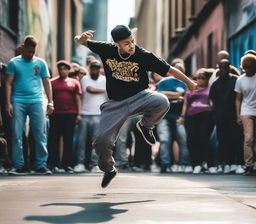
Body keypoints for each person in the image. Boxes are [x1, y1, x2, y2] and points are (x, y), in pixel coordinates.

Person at [74, 25, 197, 188]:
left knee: (162, 101)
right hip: (116, 104)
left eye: (132, 41)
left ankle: (146, 126)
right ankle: (109, 169)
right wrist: (80, 39)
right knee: (101, 142)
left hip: (140, 96)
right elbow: (82, 41)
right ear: (116, 44)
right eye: (126, 43)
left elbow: (169, 69)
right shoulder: (106, 49)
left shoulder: (143, 54)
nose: (131, 45)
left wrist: (189, 82)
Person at [5, 35, 54, 175]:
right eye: (28, 51)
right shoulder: (14, 63)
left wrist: (50, 102)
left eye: (33, 52)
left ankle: (41, 165)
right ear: (23, 47)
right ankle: (19, 166)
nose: (30, 54)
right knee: (17, 134)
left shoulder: (40, 63)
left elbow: (46, 82)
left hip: (37, 101)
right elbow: (8, 83)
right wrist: (8, 103)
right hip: (18, 101)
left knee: (40, 133)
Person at [178, 68, 216, 174]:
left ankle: (210, 164)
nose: (198, 80)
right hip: (191, 116)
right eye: (196, 78)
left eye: (202, 78)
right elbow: (186, 103)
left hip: (206, 115)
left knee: (204, 138)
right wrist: (182, 116)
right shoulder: (191, 88)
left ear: (207, 79)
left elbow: (214, 102)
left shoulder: (210, 87)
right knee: (191, 139)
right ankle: (196, 164)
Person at [209, 60, 244, 174]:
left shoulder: (236, 80)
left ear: (229, 67)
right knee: (222, 140)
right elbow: (213, 102)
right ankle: (226, 163)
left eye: (225, 67)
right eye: (221, 67)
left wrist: (239, 115)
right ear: (218, 68)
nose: (223, 69)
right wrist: (216, 116)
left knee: (236, 139)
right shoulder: (215, 84)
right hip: (220, 116)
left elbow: (239, 98)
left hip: (234, 115)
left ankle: (237, 163)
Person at [47, 60, 82, 173]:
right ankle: (54, 164)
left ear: (68, 70)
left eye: (64, 69)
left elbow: (78, 99)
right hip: (56, 115)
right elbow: (49, 97)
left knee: (68, 140)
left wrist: (79, 114)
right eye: (60, 69)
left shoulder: (74, 82)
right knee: (54, 140)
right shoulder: (52, 82)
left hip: (70, 114)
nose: (62, 71)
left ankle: (67, 165)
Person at [74, 60, 107, 173]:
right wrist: (106, 90)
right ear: (89, 68)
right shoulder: (84, 79)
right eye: (92, 68)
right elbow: (89, 89)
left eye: (96, 68)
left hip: (99, 115)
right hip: (85, 113)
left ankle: (94, 164)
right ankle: (80, 163)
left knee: (96, 142)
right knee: (81, 141)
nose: (94, 70)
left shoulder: (104, 79)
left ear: (99, 69)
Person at [235, 53, 256, 175]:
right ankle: (249, 165)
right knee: (248, 138)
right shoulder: (240, 80)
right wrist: (238, 115)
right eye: (245, 68)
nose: (247, 70)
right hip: (246, 111)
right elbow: (238, 98)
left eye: (250, 68)